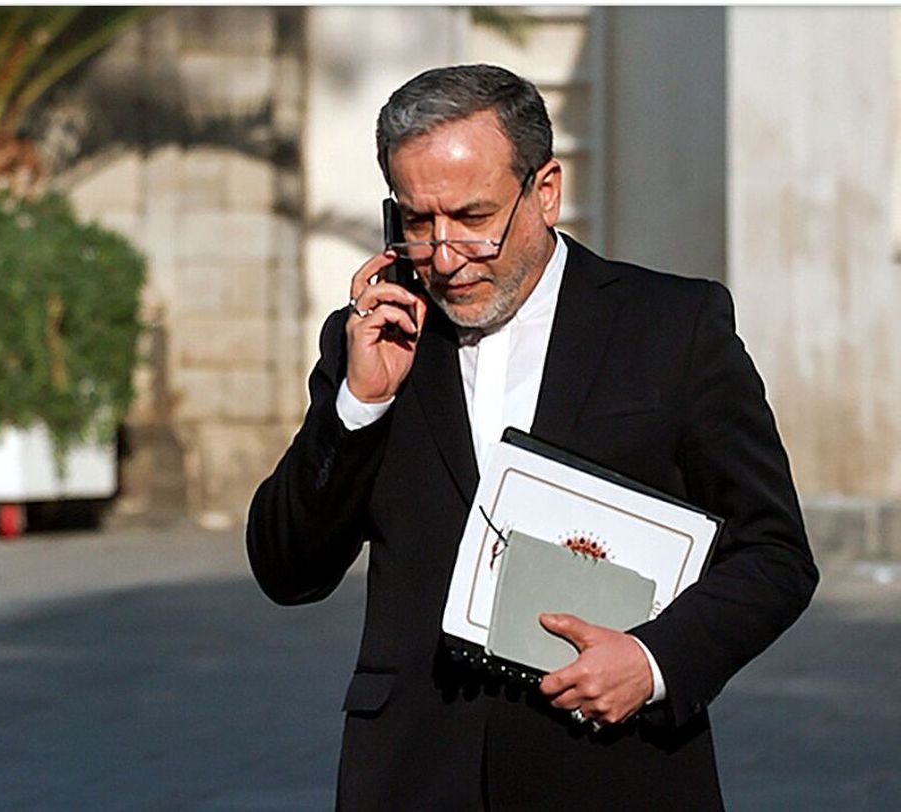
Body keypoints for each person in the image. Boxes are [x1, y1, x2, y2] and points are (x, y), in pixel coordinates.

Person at [246, 64, 818, 810]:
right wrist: (358, 406)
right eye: (416, 223)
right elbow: (287, 569)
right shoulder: (371, 337)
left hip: (614, 774)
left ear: (545, 191)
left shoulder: (673, 329)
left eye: (473, 218)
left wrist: (652, 661)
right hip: (415, 777)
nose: (444, 256)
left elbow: (774, 553)